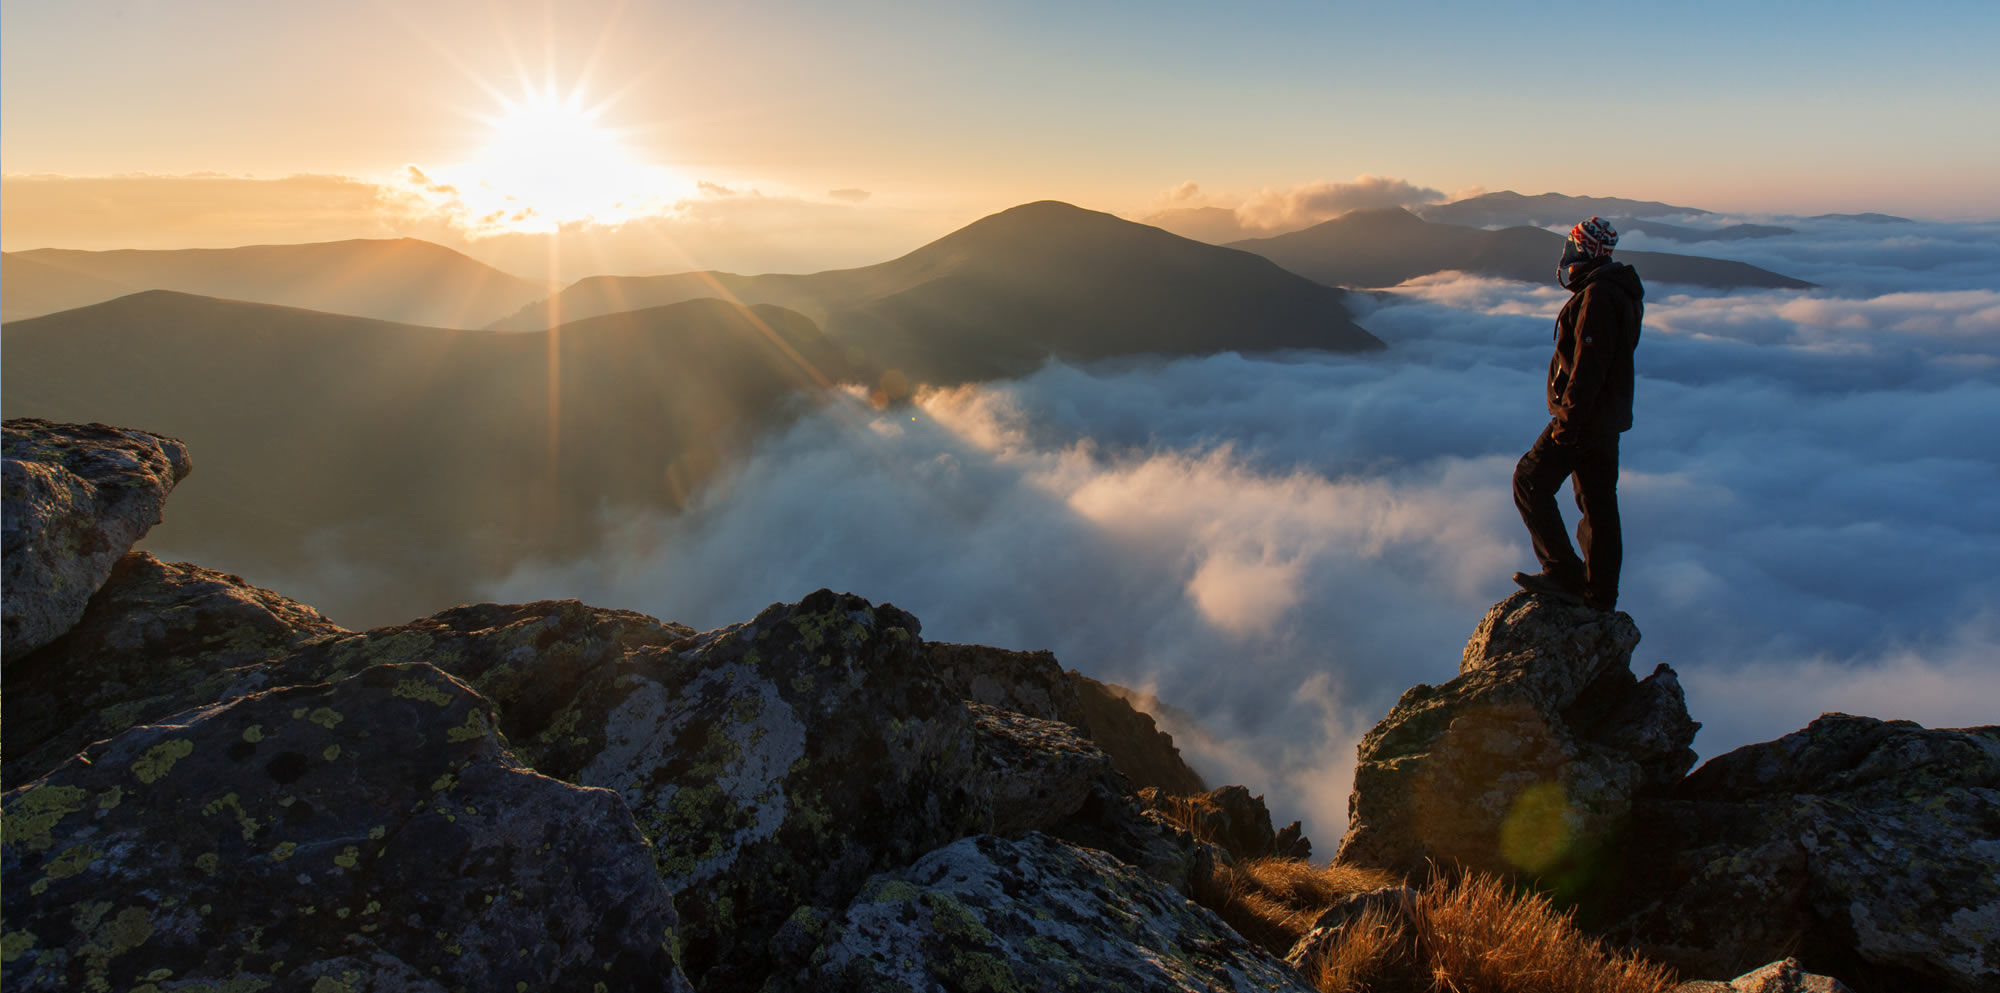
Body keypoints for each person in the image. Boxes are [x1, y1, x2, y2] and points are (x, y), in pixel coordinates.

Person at [1512, 216, 1644, 611]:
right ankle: (1600, 597)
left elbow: (1589, 367)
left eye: (1572, 247)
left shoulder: (1598, 297)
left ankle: (1564, 575)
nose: (1567, 255)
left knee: (1530, 480)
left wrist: (1567, 423)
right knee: (1599, 504)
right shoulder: (1619, 292)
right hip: (1605, 421)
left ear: (1583, 250)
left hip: (1583, 419)